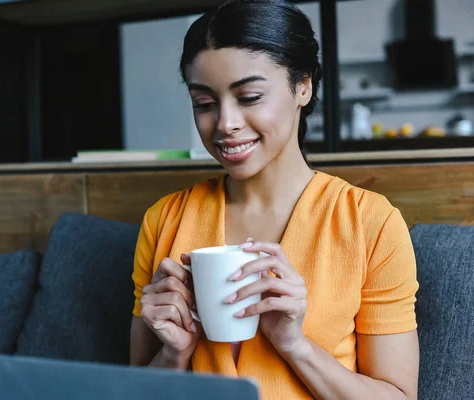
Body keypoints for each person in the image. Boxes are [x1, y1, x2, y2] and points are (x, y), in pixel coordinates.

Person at [129, 1, 419, 399]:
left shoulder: (369, 223)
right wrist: (174, 353)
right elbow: (134, 390)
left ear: (303, 86)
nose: (226, 123)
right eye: (204, 103)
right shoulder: (164, 221)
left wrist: (295, 346)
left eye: (248, 97)